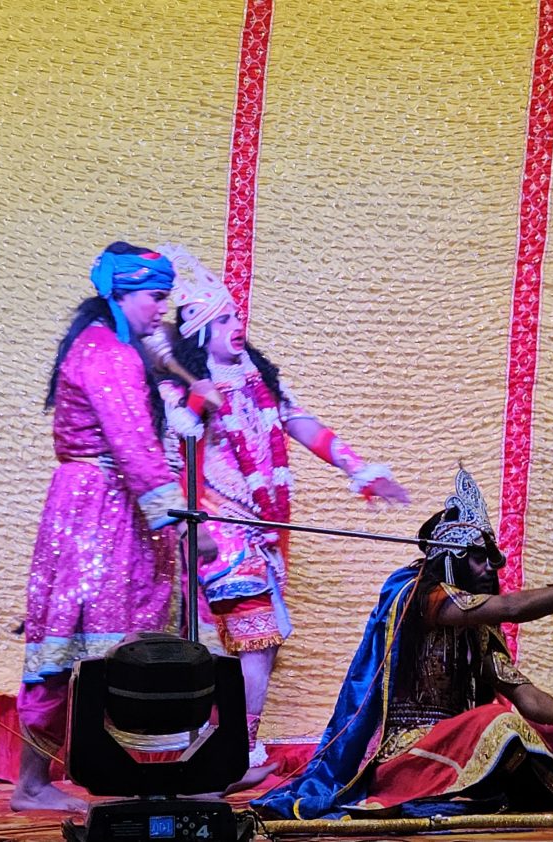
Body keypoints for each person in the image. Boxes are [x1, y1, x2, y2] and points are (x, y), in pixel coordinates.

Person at [255, 467, 553, 819]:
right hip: (404, 751)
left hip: (457, 743)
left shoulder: (477, 626)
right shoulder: (414, 595)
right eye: (480, 557)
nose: (490, 568)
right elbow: (512, 608)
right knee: (499, 722)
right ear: (452, 557)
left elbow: (524, 693)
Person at [155, 245, 410, 773]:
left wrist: (359, 468)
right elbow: (173, 457)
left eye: (236, 316)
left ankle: (229, 747)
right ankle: (229, 751)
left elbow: (302, 424)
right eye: (222, 320)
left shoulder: (259, 378)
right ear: (199, 333)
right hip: (215, 525)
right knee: (250, 639)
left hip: (261, 530)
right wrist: (196, 401)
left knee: (258, 643)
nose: (236, 326)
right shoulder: (181, 388)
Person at [11, 242, 218, 812]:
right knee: (93, 642)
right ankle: (34, 784)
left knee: (100, 638)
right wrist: (186, 525)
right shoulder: (109, 354)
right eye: (155, 297)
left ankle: (152, 776)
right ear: (122, 294)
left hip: (101, 507)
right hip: (100, 513)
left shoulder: (104, 346)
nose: (161, 309)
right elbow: (136, 449)